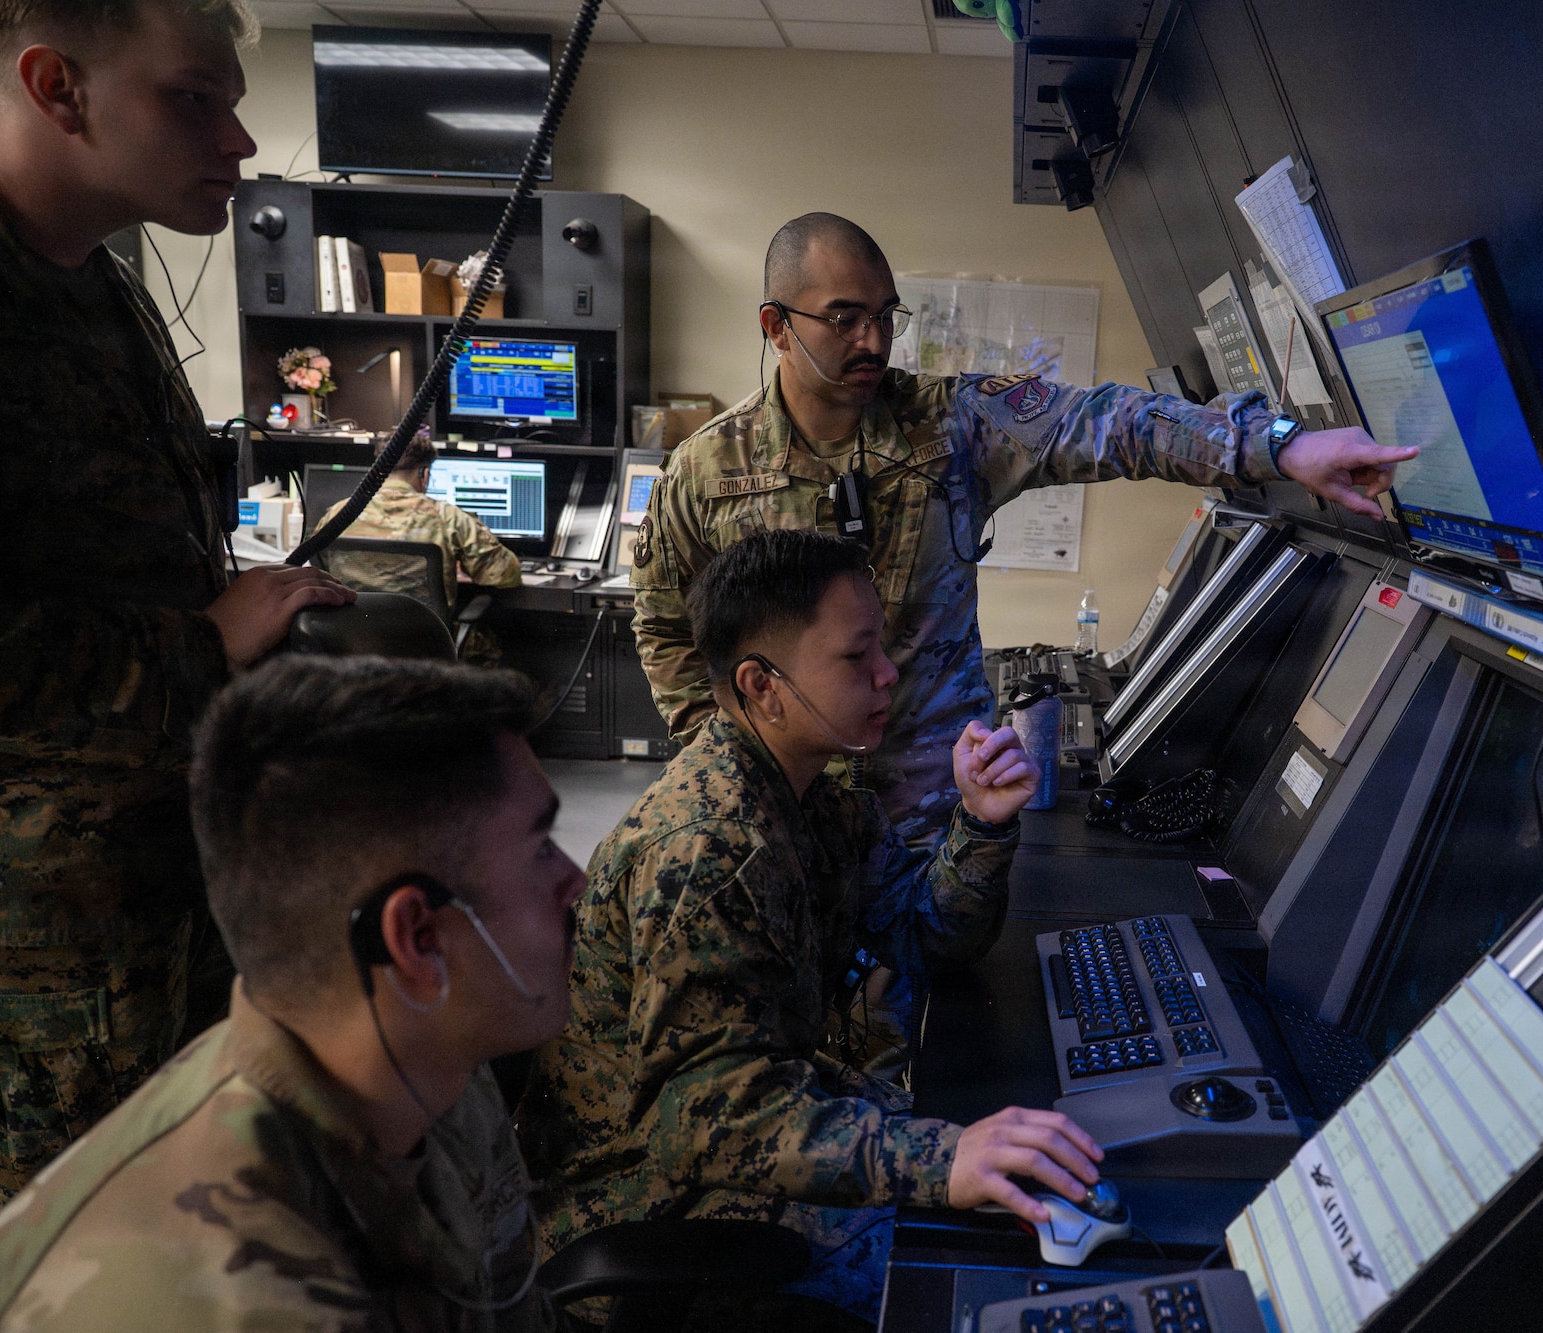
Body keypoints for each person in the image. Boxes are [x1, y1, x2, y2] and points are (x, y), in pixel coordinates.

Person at [631, 211, 1419, 848]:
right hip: (781, 821)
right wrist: (730, 767)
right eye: (844, 319)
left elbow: (1107, 422)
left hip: (934, 816)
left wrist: (1280, 447)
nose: (873, 341)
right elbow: (665, 629)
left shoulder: (951, 425)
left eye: (884, 316)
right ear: (776, 325)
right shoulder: (705, 472)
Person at [0, 0, 353, 1239]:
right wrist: (207, 644)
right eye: (194, 100)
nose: (239, 141)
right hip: (42, 937)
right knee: (75, 1249)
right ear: (56, 86)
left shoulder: (99, 284)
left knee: (195, 1225)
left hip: (172, 874)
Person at [521, 530, 1106, 1327]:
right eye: (857, 656)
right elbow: (708, 1119)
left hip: (744, 1139)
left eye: (882, 648)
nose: (887, 673)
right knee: (973, 1273)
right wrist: (940, 1158)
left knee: (994, 1197)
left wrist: (981, 823)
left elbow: (926, 932)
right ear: (762, 686)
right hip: (649, 1203)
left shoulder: (811, 797)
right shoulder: (709, 852)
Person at [0, 655, 585, 1329]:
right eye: (542, 849)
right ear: (417, 938)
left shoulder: (439, 1072)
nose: (575, 879)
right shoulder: (239, 1298)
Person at [317, 430, 523, 613]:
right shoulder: (448, 517)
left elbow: (318, 565)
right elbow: (505, 574)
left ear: (379, 470)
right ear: (425, 474)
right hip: (427, 638)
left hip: (353, 637)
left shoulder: (338, 513)